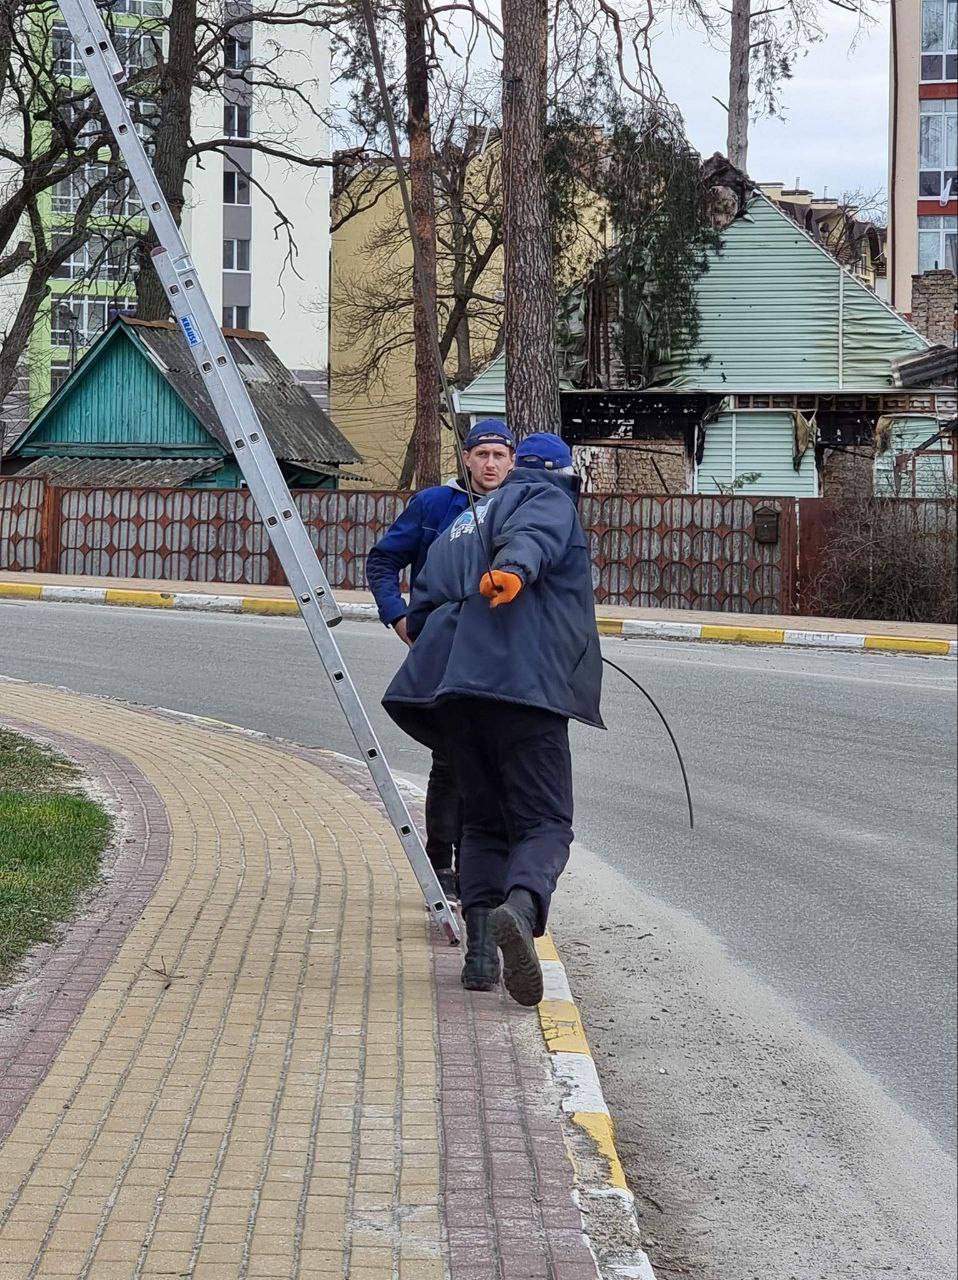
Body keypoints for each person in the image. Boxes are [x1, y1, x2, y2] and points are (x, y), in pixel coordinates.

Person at [381, 432, 603, 1005]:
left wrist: (427, 632)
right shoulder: (545, 498)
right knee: (546, 822)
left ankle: (480, 958)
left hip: (456, 697)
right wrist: (515, 571)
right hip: (524, 694)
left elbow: (425, 603)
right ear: (560, 473)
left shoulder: (464, 522)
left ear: (511, 463)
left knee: (481, 823)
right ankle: (521, 907)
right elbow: (535, 537)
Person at [365, 419, 517, 897]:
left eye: (499, 456)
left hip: (498, 654)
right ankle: (440, 863)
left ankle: (480, 863)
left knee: (495, 758)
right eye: (482, 455)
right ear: (467, 459)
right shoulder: (435, 505)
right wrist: (399, 617)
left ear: (512, 461)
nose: (490, 464)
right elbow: (383, 560)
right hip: (442, 650)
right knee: (450, 758)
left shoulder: (520, 506)